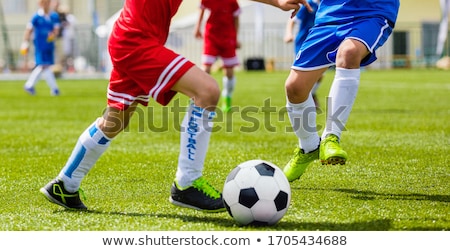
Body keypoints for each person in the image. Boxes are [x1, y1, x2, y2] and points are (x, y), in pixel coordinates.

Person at [39, 0, 310, 212]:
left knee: (116, 119)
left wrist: (276, 2)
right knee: (207, 91)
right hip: (136, 41)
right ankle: (187, 183)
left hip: (130, 38)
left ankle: (65, 184)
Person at [283, 0, 400, 182]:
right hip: (330, 14)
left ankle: (331, 136)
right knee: (295, 87)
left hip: (371, 11)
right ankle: (309, 148)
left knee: (349, 52)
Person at [193, 0, 241, 113]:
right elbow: (201, 11)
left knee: (229, 73)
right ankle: (199, 98)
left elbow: (236, 18)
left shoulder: (232, 2)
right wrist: (197, 28)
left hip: (227, 37)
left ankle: (227, 97)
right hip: (211, 37)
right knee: (206, 69)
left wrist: (236, 38)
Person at [283, 0, 321, 109]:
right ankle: (304, 99)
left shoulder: (325, 5)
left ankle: (311, 93)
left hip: (318, 43)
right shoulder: (308, 4)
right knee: (301, 73)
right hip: (304, 43)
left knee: (320, 75)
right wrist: (288, 33)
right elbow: (292, 20)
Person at [22, 0, 61, 96]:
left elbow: (56, 30)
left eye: (47, 2)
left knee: (44, 66)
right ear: (39, 4)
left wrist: (53, 35)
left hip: (49, 45)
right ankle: (54, 89)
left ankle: (29, 85)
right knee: (44, 65)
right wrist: (25, 42)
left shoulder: (54, 16)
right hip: (39, 45)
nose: (45, 5)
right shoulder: (36, 17)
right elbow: (28, 30)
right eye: (43, 2)